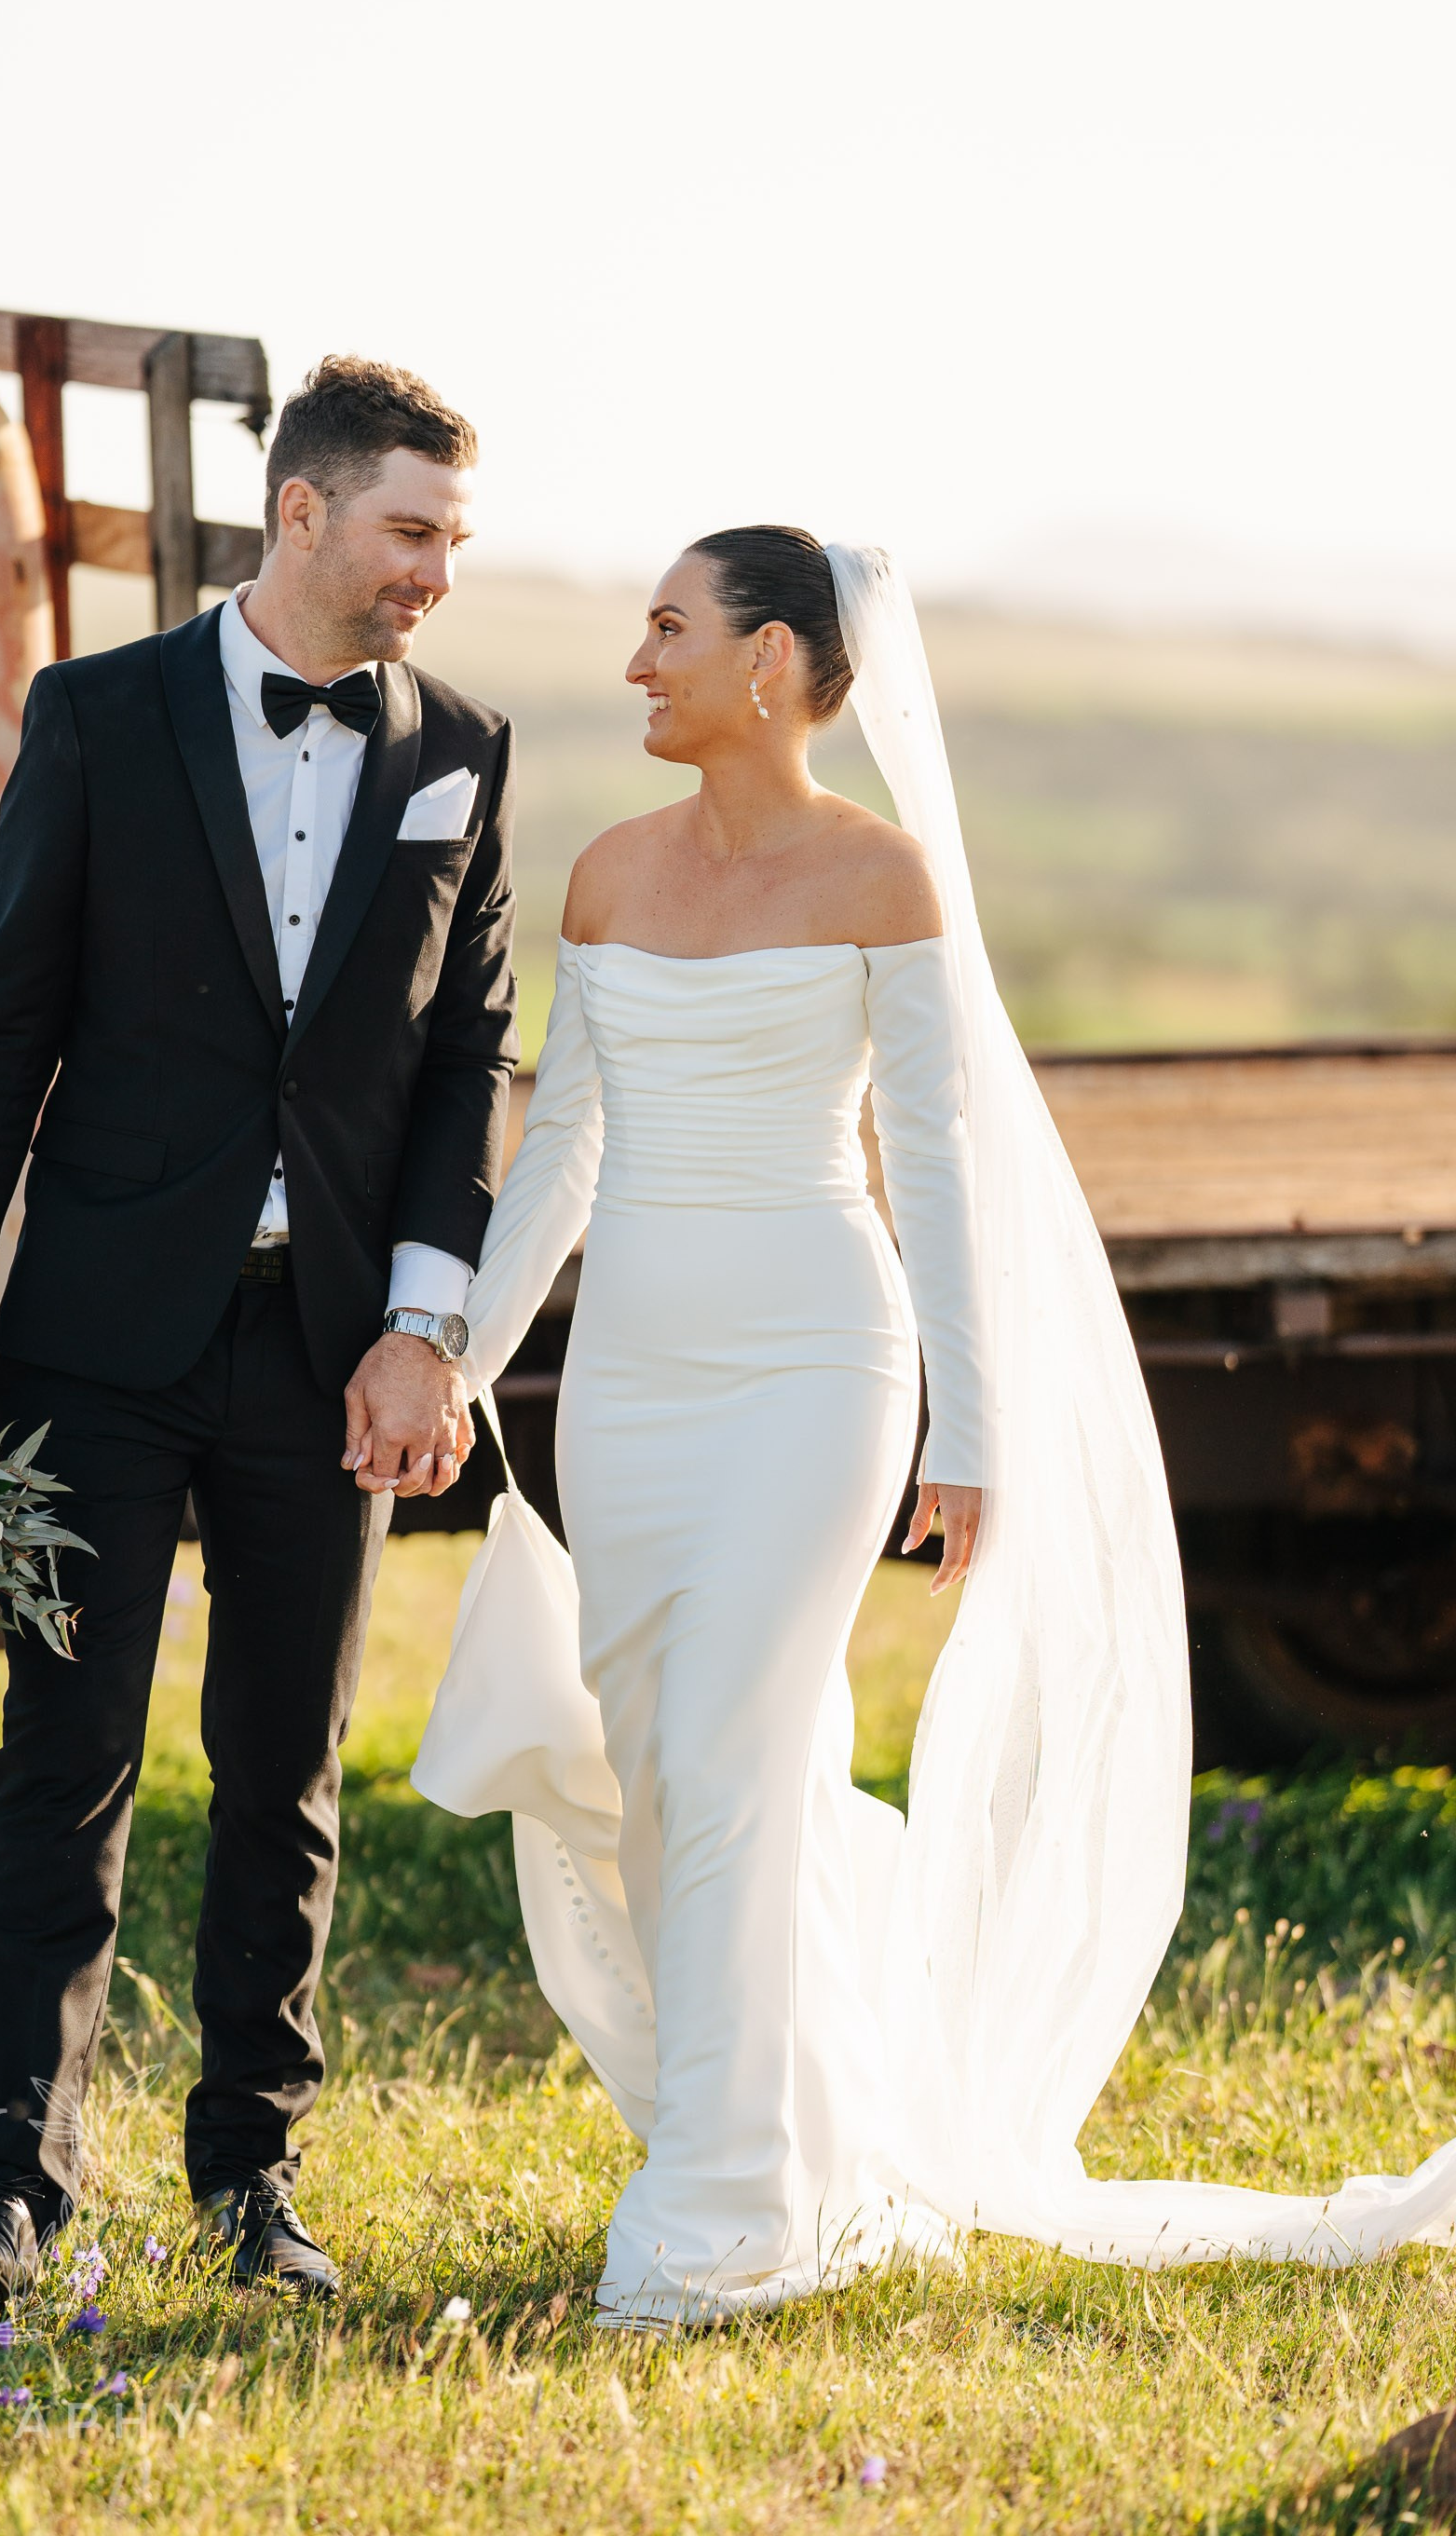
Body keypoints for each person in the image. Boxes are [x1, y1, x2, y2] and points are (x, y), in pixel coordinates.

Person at [415, 526, 1456, 2325]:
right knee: (671, 1777)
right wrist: (453, 1355)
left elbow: (944, 1171)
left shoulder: (883, 878)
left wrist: (965, 1432)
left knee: (733, 1754)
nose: (636, 663)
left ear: (768, 664)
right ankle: (801, 2120)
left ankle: (720, 2209)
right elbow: (559, 1157)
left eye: (669, 628)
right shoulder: (605, 877)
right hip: (635, 1395)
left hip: (822, 1369)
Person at [0, 355, 519, 2311]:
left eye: (455, 543)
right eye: (412, 532)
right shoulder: (98, 715)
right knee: (64, 1760)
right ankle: (3, 2196)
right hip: (99, 1337)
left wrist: (424, 1324)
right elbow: (6, 1037)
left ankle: (249, 2181)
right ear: (302, 514)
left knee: (284, 1771)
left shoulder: (464, 742)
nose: (436, 577)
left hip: (332, 1348)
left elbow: (466, 1056)